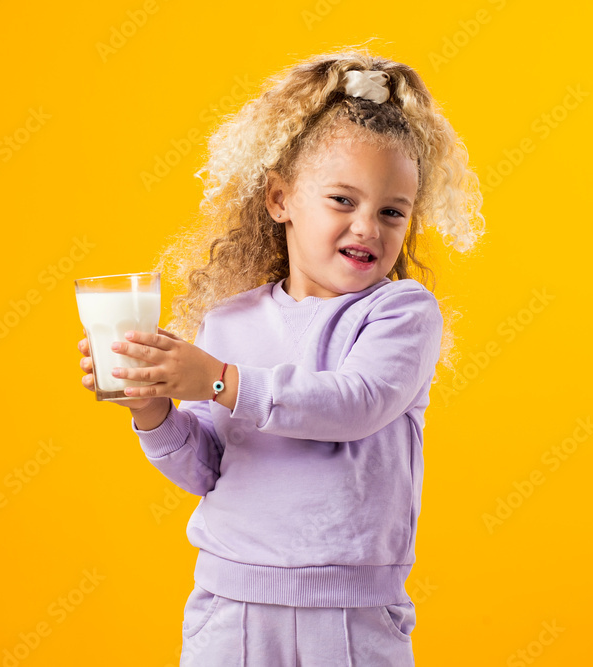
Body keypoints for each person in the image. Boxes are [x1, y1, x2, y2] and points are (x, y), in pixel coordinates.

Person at [78, 44, 484, 666]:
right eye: (342, 201)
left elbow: (356, 403)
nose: (368, 227)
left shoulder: (400, 314)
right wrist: (154, 412)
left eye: (392, 212)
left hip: (350, 616)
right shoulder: (229, 322)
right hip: (230, 610)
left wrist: (217, 380)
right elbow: (208, 471)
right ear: (279, 200)